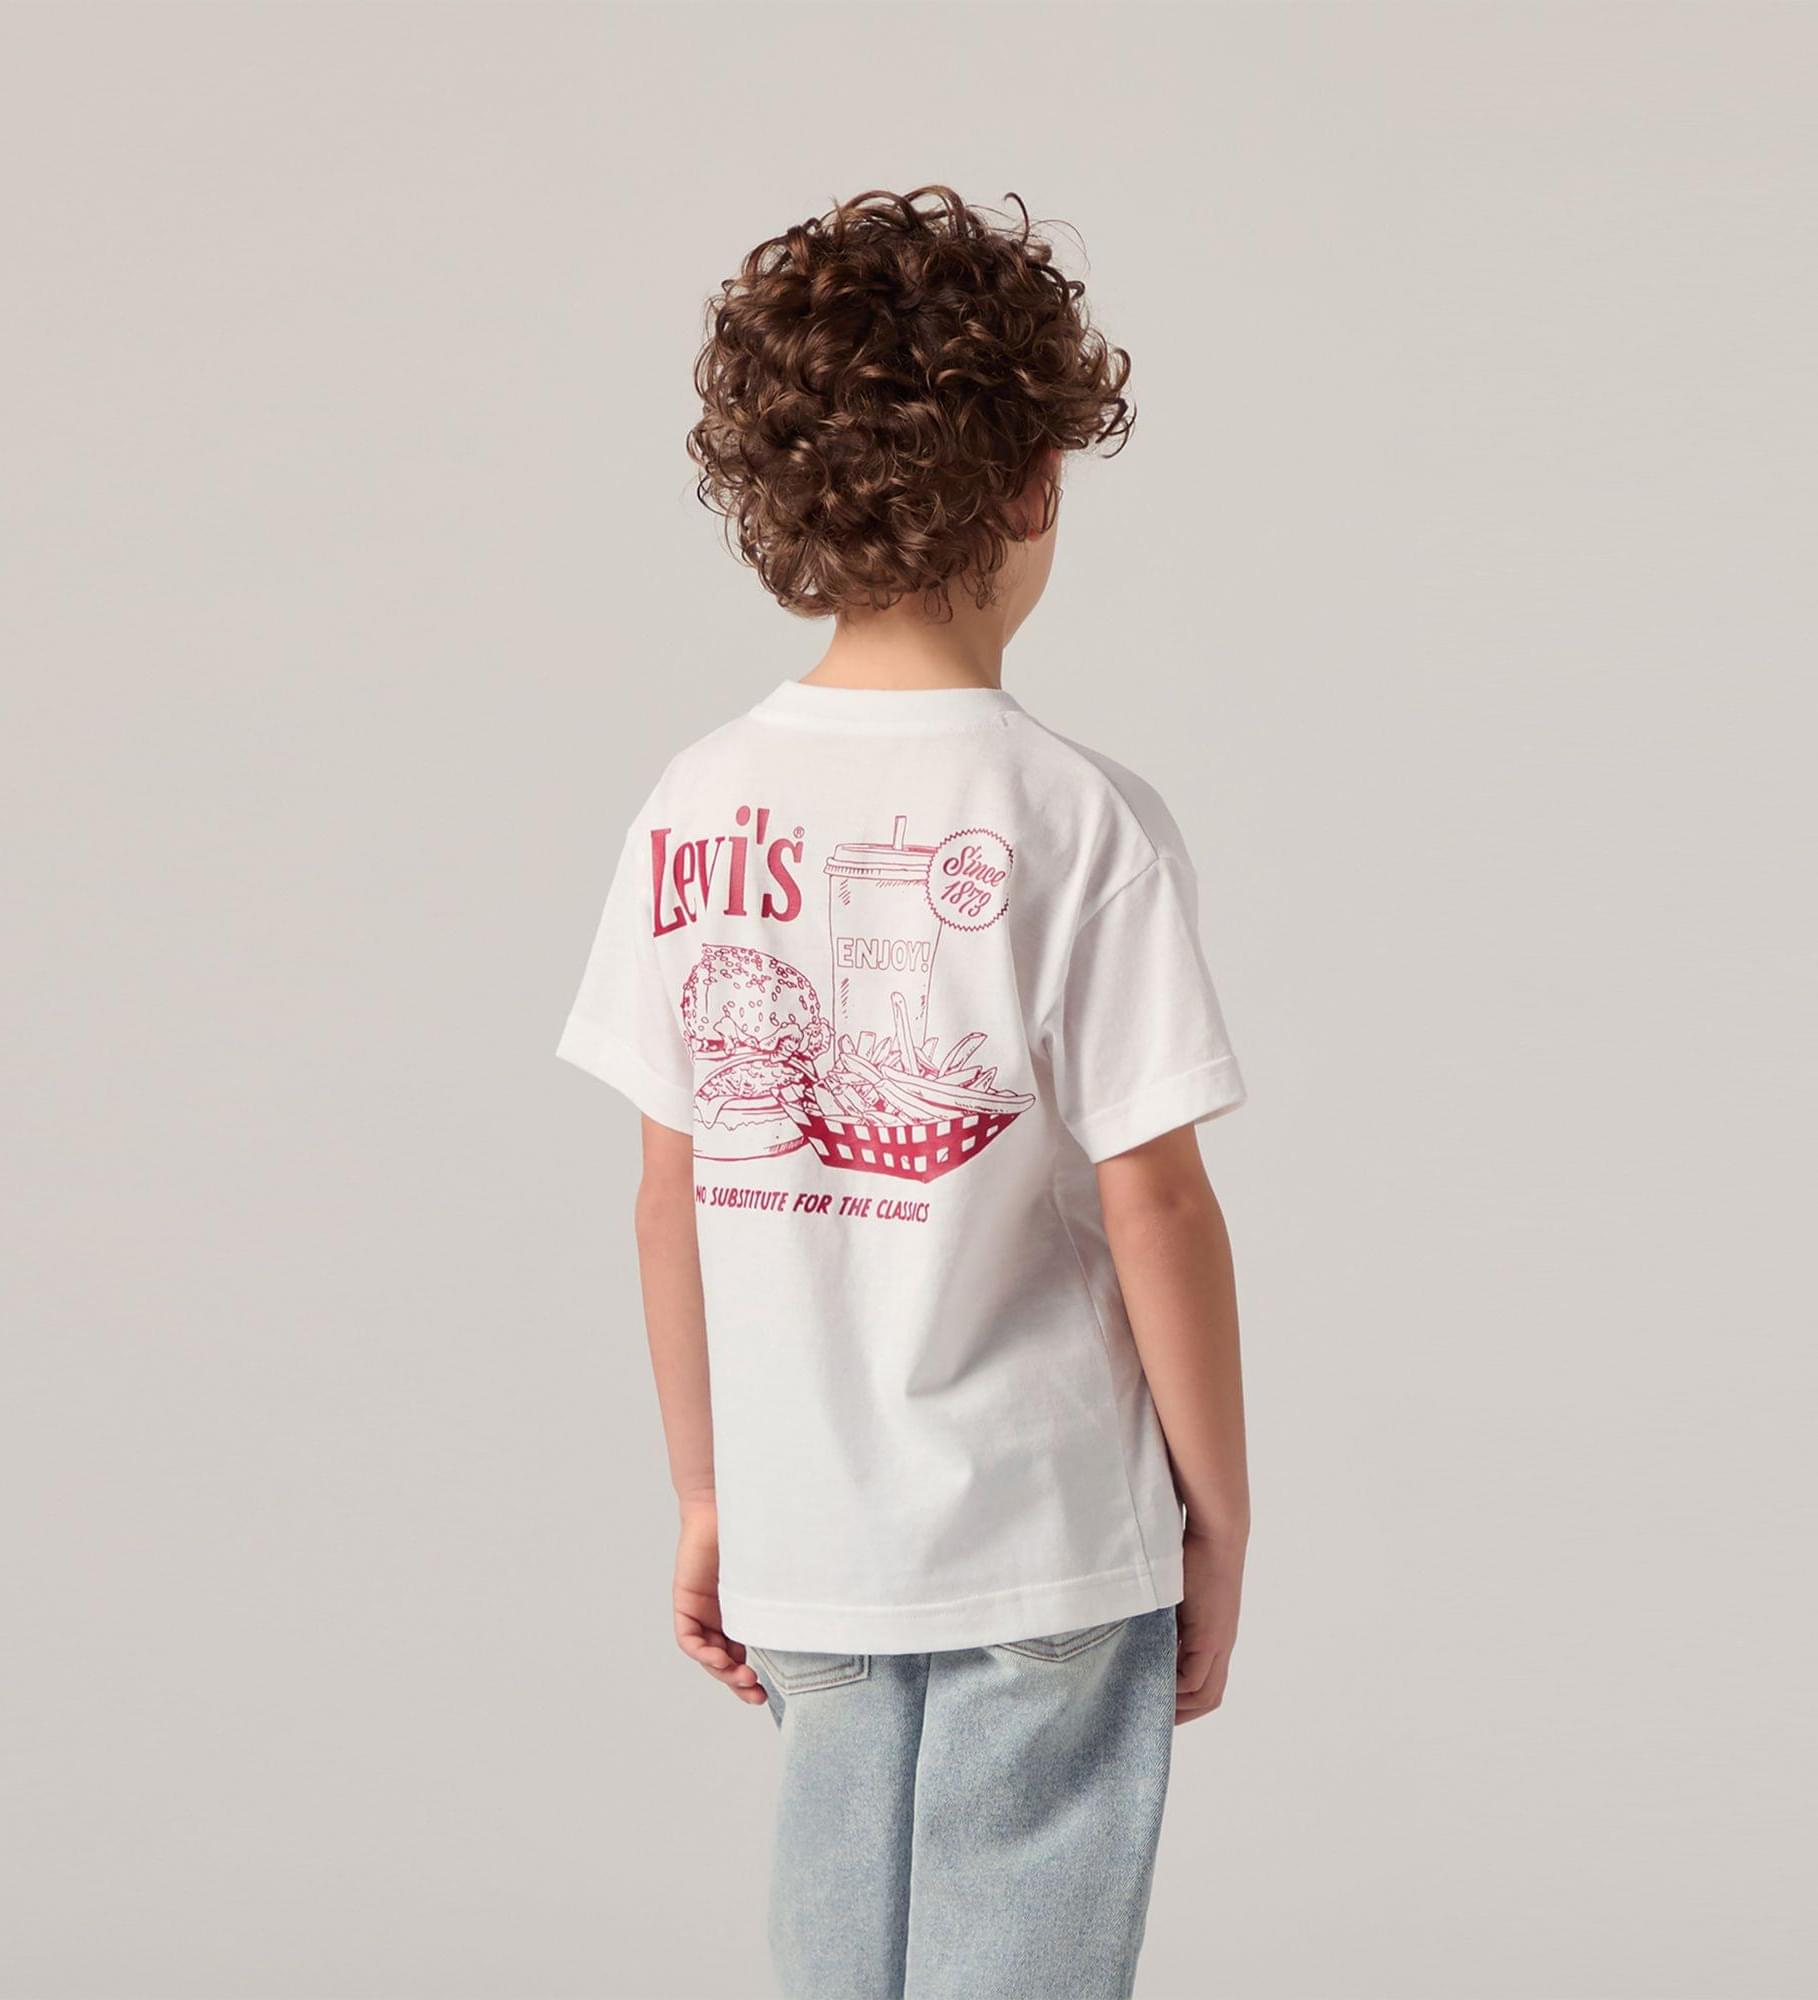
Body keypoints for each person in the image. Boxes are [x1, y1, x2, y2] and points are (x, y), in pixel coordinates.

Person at [560, 187, 1249, 2000]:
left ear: (779, 499)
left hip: (808, 1535)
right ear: (1031, 485)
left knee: (835, 1957)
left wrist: (707, 1495)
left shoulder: (693, 804)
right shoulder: (1077, 817)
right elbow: (1157, 1202)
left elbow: (666, 1196)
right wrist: (1217, 1510)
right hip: (1046, 1537)